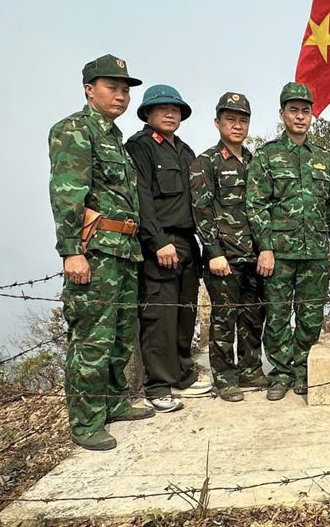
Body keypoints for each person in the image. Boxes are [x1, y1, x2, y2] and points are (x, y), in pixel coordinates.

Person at [48, 54, 153, 450]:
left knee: (121, 335)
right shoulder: (74, 131)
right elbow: (66, 194)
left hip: (123, 251)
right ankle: (86, 421)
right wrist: (71, 251)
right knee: (93, 337)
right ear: (89, 90)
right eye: (113, 87)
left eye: (126, 89)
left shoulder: (114, 139)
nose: (122, 95)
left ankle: (112, 403)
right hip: (95, 251)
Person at [247, 82, 330, 400]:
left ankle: (303, 370)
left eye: (305, 110)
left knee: (310, 316)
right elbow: (256, 204)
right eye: (294, 110)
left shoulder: (322, 158)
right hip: (279, 253)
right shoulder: (267, 156)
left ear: (311, 115)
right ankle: (280, 373)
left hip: (316, 252)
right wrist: (265, 247)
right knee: (276, 315)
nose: (300, 116)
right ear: (282, 114)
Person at [126, 85, 211, 413]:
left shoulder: (185, 151)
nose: (170, 113)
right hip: (160, 242)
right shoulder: (141, 147)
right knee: (160, 314)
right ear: (148, 112)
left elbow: (198, 202)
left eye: (176, 109)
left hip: (188, 241)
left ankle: (181, 373)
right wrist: (157, 241)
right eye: (162, 108)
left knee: (185, 310)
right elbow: (142, 197)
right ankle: (158, 384)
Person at [189, 92, 268, 402]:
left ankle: (250, 368)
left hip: (254, 254)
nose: (237, 125)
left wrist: (265, 248)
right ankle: (225, 377)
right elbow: (201, 211)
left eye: (243, 119)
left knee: (253, 315)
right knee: (224, 318)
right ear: (217, 122)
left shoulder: (255, 161)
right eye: (231, 119)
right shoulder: (205, 162)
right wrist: (213, 252)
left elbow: (263, 208)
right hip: (225, 255)